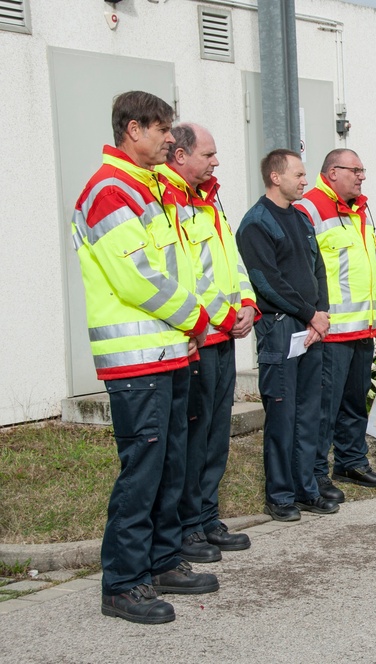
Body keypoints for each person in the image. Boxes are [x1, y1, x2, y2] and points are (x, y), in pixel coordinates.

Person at [72, 90, 218, 625]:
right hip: (136, 358)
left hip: (167, 351)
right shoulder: (110, 191)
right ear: (133, 130)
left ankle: (161, 560)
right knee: (143, 471)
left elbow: (177, 268)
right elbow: (138, 278)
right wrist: (195, 318)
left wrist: (187, 327)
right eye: (161, 129)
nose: (169, 139)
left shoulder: (149, 189)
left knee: (170, 467)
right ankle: (123, 583)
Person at [157, 124, 256, 564]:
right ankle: (186, 526)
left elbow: (230, 258)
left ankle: (206, 515)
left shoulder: (209, 198)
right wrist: (221, 314)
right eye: (209, 154)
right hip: (198, 336)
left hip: (224, 335)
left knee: (216, 433)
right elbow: (185, 274)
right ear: (179, 155)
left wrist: (248, 302)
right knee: (194, 437)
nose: (216, 162)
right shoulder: (167, 199)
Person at [235, 149, 340, 521]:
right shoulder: (256, 223)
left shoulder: (300, 217)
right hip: (281, 327)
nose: (305, 181)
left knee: (309, 411)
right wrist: (309, 314)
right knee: (283, 414)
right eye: (298, 175)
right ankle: (279, 495)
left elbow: (318, 268)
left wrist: (320, 313)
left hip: (311, 327)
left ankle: (306, 488)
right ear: (275, 177)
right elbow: (267, 282)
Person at [294, 149, 376, 495]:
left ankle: (351, 462)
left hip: (361, 328)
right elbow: (303, 270)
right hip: (330, 331)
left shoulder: (360, 209)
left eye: (363, 170)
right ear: (333, 172)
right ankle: (317, 472)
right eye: (356, 170)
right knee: (324, 408)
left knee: (353, 402)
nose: (362, 176)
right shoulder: (310, 208)